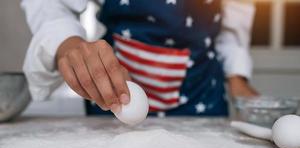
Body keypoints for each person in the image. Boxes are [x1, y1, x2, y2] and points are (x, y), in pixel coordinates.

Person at [21, 0, 258, 117]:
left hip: (202, 92)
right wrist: (66, 41)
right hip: (111, 93)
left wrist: (237, 77)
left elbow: (235, 13)